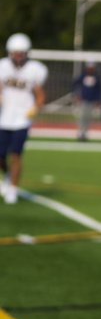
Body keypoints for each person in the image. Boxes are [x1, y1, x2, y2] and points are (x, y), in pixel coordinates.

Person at [0, 33, 47, 205]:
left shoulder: (35, 69)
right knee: (1, 156)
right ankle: (7, 175)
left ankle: (12, 188)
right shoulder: (3, 66)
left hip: (21, 119)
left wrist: (35, 108)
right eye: (16, 53)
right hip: (4, 118)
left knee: (16, 155)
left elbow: (40, 95)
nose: (19, 56)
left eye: (22, 53)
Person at [72, 60, 101, 141]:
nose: (90, 69)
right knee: (82, 117)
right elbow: (75, 84)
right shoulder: (83, 76)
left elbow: (99, 89)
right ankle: (80, 133)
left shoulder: (96, 77)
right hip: (83, 100)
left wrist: (98, 100)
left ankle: (85, 133)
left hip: (92, 101)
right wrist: (76, 95)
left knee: (88, 118)